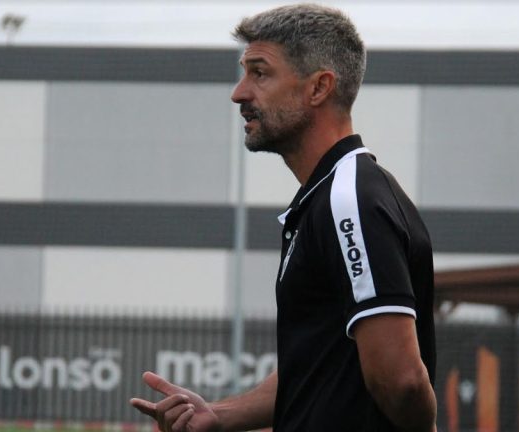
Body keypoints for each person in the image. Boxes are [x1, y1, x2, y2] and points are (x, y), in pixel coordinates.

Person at [130, 3, 437, 431]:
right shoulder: (327, 197)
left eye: (259, 72)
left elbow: (401, 381)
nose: (239, 93)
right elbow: (318, 365)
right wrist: (216, 416)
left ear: (319, 88)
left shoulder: (349, 199)